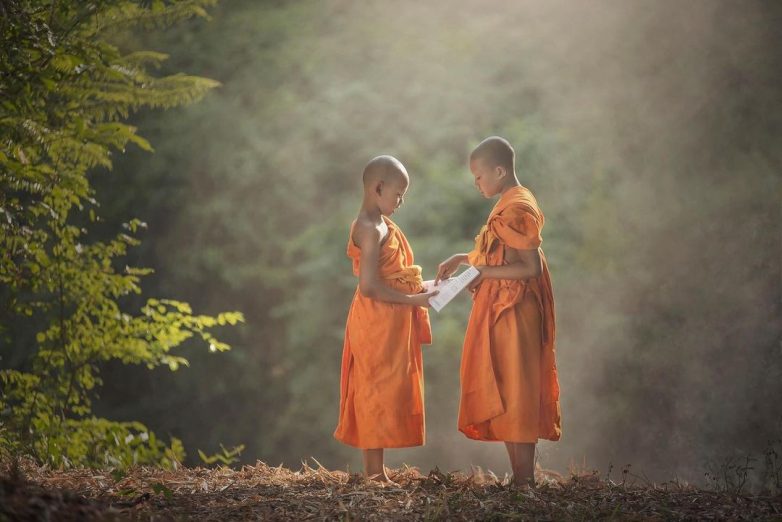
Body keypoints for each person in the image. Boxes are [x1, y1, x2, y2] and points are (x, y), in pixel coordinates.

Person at [436, 136, 561, 487]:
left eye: (479, 177)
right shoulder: (506, 202)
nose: (476, 184)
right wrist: (465, 259)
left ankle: (525, 482)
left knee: (518, 389)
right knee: (505, 387)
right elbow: (499, 253)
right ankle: (521, 478)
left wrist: (479, 273)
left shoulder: (518, 207)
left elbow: (530, 268)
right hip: (503, 308)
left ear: (500, 170)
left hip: (517, 310)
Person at [334, 155, 437, 483]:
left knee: (388, 389)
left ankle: (378, 471)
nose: (401, 201)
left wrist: (434, 287)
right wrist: (414, 299)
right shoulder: (367, 226)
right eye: (398, 194)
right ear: (378, 188)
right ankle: (374, 474)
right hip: (375, 320)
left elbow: (394, 277)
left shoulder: (382, 223)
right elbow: (369, 287)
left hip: (392, 319)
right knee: (373, 388)